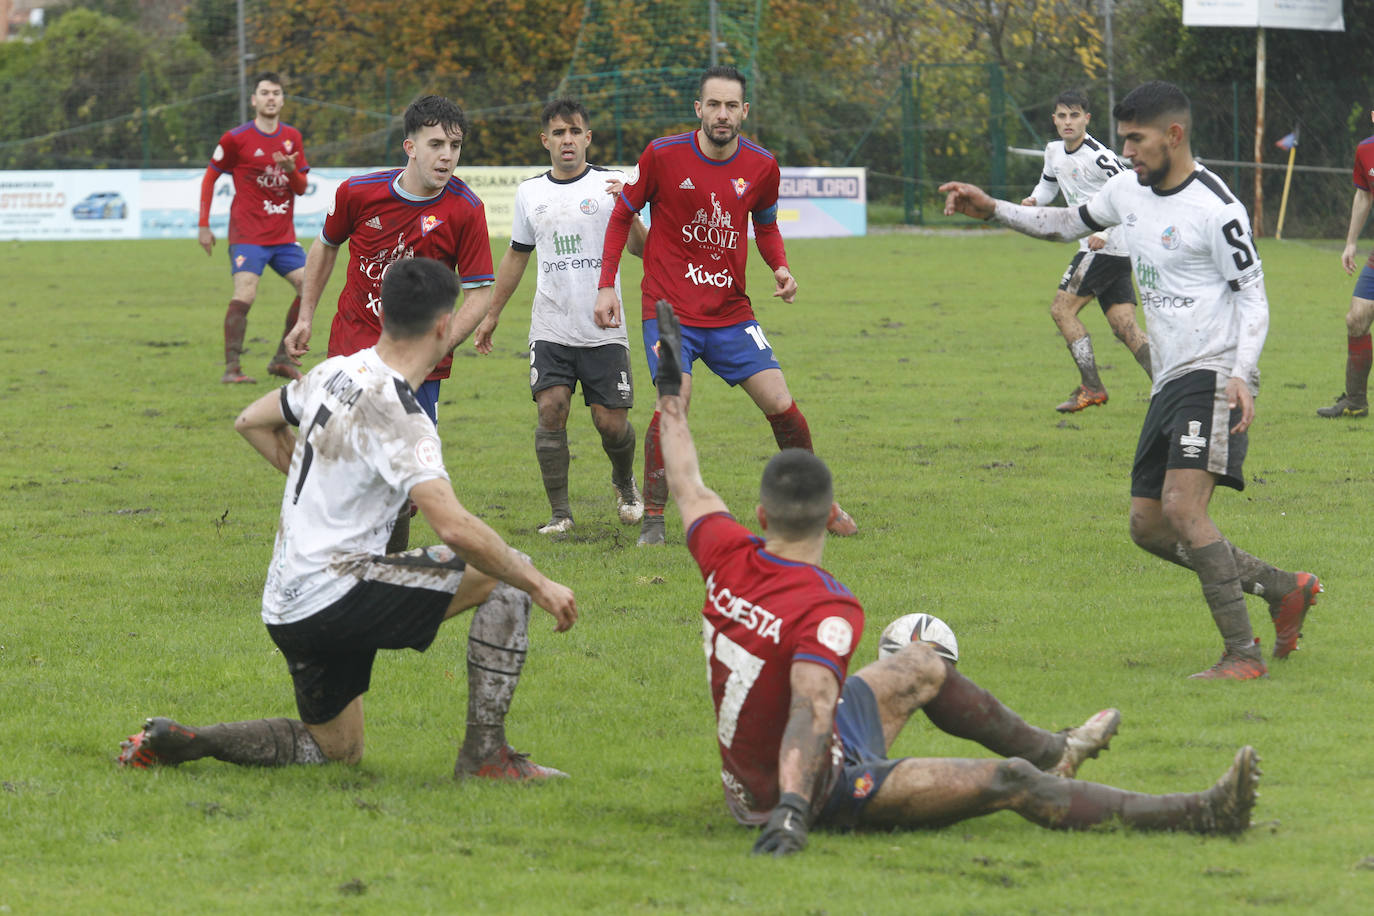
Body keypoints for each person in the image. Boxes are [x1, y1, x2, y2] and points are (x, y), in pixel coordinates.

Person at [648, 299, 1258, 855]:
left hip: (770, 761)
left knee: (922, 662)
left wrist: (672, 394)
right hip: (814, 783)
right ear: (831, 518)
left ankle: (1057, 749)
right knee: (1012, 783)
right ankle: (1201, 813)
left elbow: (687, 479)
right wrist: (789, 811)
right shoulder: (826, 606)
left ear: (760, 515)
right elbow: (809, 708)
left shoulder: (725, 549)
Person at [117, 257, 576, 781]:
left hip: (287, 605)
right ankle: (487, 757)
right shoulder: (404, 415)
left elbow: (252, 421)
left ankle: (190, 742)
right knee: (507, 571)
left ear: (385, 315)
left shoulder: (335, 370)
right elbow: (453, 527)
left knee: (339, 750)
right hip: (337, 594)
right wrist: (540, 584)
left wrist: (325, 484)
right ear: (445, 326)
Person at [941, 81, 1321, 680]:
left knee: (1182, 506)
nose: (1128, 151)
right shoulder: (1127, 188)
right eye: (1123, 139)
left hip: (1215, 373)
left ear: (1173, 136)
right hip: (1168, 380)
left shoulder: (1216, 208)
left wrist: (1243, 374)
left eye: (1136, 140)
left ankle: (1242, 655)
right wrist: (992, 208)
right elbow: (1066, 222)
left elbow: (1254, 297)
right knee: (1148, 526)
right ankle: (1281, 587)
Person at [594, 65, 857, 546]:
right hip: (669, 311)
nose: (722, 114)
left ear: (744, 112)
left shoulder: (761, 165)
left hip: (731, 312)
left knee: (782, 403)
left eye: (731, 106)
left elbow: (768, 225)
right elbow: (622, 214)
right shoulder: (662, 154)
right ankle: (653, 518)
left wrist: (780, 267)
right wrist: (606, 284)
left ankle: (817, 503)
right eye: (713, 105)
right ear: (698, 109)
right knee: (675, 403)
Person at [284, 94, 495, 552]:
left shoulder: (466, 209)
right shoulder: (358, 193)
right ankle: (334, 556)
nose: (447, 156)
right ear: (410, 147)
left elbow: (480, 292)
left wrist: (440, 346)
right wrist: (305, 317)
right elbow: (325, 247)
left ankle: (386, 570)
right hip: (354, 349)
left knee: (405, 482)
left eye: (455, 146)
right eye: (436, 143)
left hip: (421, 367)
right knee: (342, 461)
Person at [474, 98, 649, 534]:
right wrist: (492, 314)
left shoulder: (613, 184)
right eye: (558, 132)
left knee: (611, 423)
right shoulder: (530, 192)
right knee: (551, 409)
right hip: (550, 323)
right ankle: (560, 515)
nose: (566, 140)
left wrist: (630, 206)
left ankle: (625, 482)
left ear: (588, 138)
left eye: (574, 132)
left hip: (605, 324)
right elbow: (517, 256)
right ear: (545, 140)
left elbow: (642, 249)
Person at [1021, 90, 1152, 412]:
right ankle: (1173, 388)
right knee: (1125, 326)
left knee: (1061, 310)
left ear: (1086, 119)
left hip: (1109, 246)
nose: (1068, 122)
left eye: (1075, 115)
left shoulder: (1099, 156)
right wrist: (1035, 200)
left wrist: (1105, 232)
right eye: (1062, 116)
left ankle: (1092, 387)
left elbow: (1131, 192)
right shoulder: (1053, 151)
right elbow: (1049, 185)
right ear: (1054, 119)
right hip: (1109, 250)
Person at [198, 72, 310, 385]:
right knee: (246, 292)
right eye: (264, 92)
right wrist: (203, 225)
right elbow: (210, 178)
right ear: (254, 100)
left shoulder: (292, 138)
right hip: (247, 235)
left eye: (276, 93)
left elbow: (300, 188)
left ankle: (281, 359)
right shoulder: (236, 138)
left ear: (283, 100)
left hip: (283, 236)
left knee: (308, 285)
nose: (271, 98)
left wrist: (290, 172)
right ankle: (232, 368)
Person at [1316, 109, 1374, 418]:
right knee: (1356, 319)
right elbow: (1363, 195)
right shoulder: (1366, 150)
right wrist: (1351, 242)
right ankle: (1355, 401)